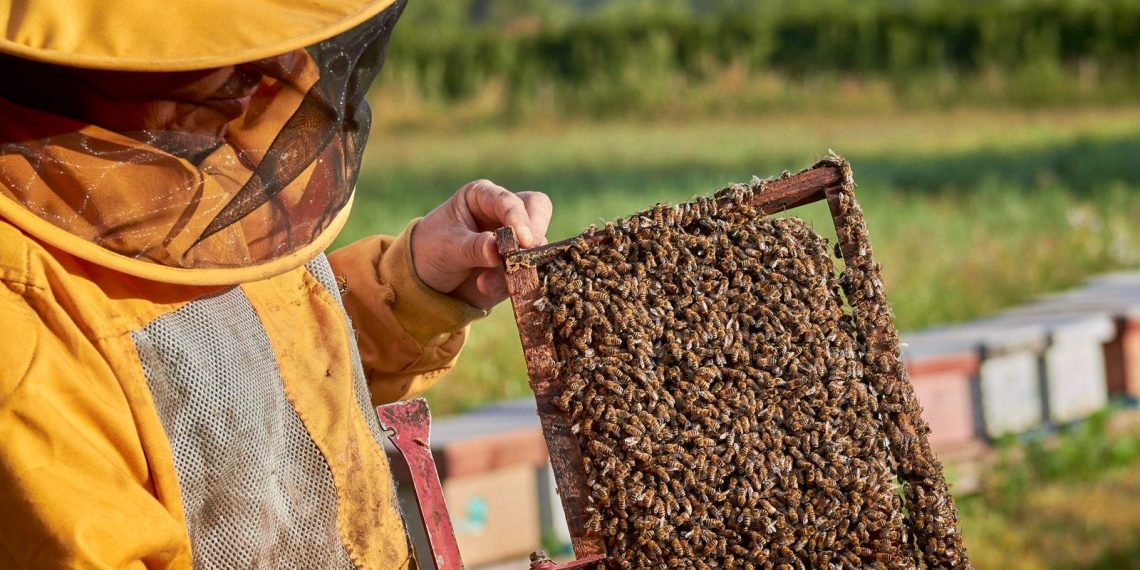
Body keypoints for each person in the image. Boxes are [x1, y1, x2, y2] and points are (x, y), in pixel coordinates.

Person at [0, 0, 550, 567]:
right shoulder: (18, 310)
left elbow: (265, 382)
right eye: (217, 36)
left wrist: (413, 284)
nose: (268, 68)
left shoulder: (188, 171)